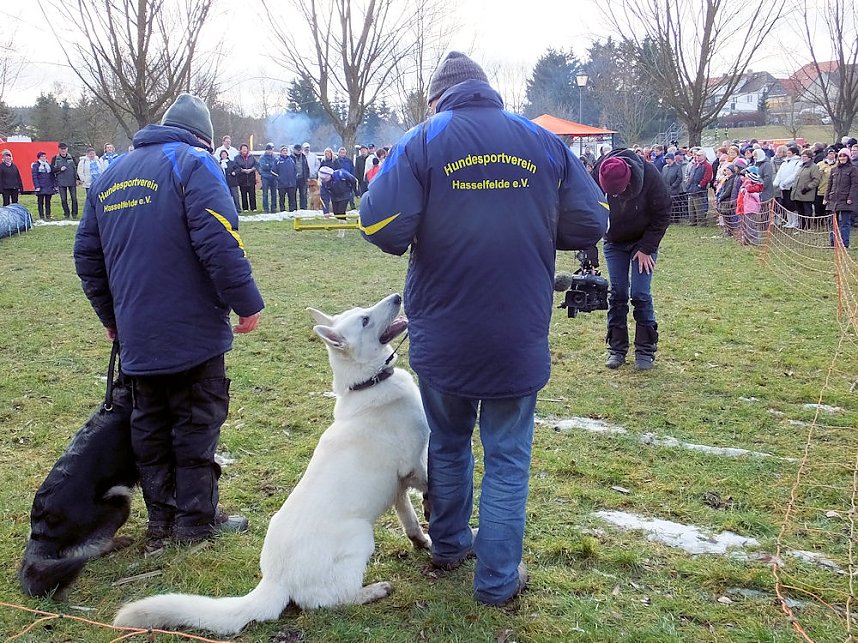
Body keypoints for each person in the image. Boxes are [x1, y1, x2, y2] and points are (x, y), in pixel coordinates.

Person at [359, 51, 607, 606]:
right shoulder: (542, 141)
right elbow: (592, 220)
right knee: (508, 457)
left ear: (437, 98)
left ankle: (448, 544)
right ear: (488, 89)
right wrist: (534, 226)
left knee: (448, 442)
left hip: (443, 330)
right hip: (516, 330)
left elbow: (378, 223)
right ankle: (496, 579)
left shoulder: (423, 141)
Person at [74, 93, 264, 550]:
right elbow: (219, 239)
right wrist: (246, 302)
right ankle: (195, 523)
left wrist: (112, 317)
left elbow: (87, 256)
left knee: (151, 424)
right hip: (193, 329)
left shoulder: (111, 175)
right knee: (196, 422)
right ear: (203, 137)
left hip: (137, 333)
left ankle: (160, 522)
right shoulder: (194, 164)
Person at [592, 149, 670, 370]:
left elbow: (663, 213)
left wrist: (647, 247)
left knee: (640, 293)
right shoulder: (597, 173)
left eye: (619, 192)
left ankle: (646, 349)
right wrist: (588, 244)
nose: (615, 197)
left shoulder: (650, 176)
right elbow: (589, 209)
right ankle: (616, 348)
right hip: (614, 242)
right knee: (617, 293)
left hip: (642, 241)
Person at [826, 149, 858, 248]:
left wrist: (850, 198)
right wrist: (826, 197)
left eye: (844, 156)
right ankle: (833, 242)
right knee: (833, 222)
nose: (842, 158)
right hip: (834, 200)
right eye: (840, 156)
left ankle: (845, 243)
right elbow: (830, 184)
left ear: (848, 157)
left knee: (845, 222)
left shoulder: (853, 169)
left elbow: (854, 185)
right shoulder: (834, 170)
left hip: (846, 200)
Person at [790, 150, 822, 229]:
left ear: (810, 158)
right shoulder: (801, 166)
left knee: (807, 211)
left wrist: (808, 187)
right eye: (802, 156)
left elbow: (817, 180)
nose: (803, 158)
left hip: (807, 194)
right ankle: (801, 226)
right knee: (800, 211)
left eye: (805, 156)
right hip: (798, 193)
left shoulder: (813, 167)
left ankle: (808, 227)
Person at [773, 145, 802, 227]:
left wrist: (785, 182)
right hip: (783, 187)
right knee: (786, 204)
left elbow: (795, 174)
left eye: (789, 153)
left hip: (791, 187)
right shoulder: (784, 163)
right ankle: (789, 221)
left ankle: (795, 222)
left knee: (792, 204)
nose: (787, 154)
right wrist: (776, 182)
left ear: (794, 153)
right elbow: (779, 173)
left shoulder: (798, 162)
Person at [52, 143, 80, 219]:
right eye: (62, 149)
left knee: (74, 198)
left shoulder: (72, 158)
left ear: (67, 149)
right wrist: (59, 169)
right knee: (63, 199)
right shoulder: (55, 158)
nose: (63, 150)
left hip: (72, 181)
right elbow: (52, 170)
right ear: (59, 149)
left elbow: (77, 169)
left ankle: (74, 214)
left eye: (65, 149)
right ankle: (66, 214)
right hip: (61, 181)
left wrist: (77, 179)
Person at [686, 149, 712, 226]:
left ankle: (701, 222)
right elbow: (691, 175)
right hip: (691, 188)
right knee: (691, 206)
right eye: (696, 155)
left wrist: (700, 185)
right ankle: (692, 221)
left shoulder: (707, 165)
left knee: (699, 206)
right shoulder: (695, 165)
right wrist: (689, 184)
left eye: (699, 155)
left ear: (704, 156)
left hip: (699, 189)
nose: (697, 157)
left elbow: (707, 177)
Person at [32, 151, 58, 220]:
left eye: (44, 156)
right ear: (39, 158)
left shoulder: (48, 165)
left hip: (48, 186)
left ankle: (48, 214)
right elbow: (35, 176)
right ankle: (41, 215)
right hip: (40, 186)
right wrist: (37, 186)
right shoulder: (36, 165)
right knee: (40, 202)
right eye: (42, 156)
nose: (43, 157)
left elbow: (52, 176)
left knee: (48, 202)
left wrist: (54, 185)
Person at [272, 145, 297, 212]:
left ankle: (292, 210)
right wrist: (279, 178)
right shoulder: (277, 160)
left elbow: (295, 170)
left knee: (292, 198)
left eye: (286, 151)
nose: (285, 152)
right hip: (281, 184)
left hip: (291, 183)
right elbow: (273, 171)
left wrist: (294, 178)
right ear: (281, 152)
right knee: (282, 198)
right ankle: (282, 210)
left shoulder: (291, 160)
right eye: (283, 151)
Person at [258, 143, 278, 213]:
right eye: (268, 150)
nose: (269, 151)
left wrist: (269, 165)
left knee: (274, 193)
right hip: (265, 177)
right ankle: (266, 208)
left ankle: (274, 208)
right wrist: (270, 166)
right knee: (265, 193)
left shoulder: (275, 157)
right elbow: (263, 166)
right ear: (266, 150)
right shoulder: (262, 157)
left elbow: (276, 166)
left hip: (273, 177)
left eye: (270, 150)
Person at [293, 144, 310, 209]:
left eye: (300, 150)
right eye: (297, 150)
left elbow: (306, 167)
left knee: (303, 194)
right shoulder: (291, 157)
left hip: (303, 178)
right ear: (294, 150)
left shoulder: (303, 157)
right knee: (293, 195)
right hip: (294, 179)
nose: (299, 151)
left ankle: (303, 208)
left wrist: (307, 177)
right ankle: (294, 208)